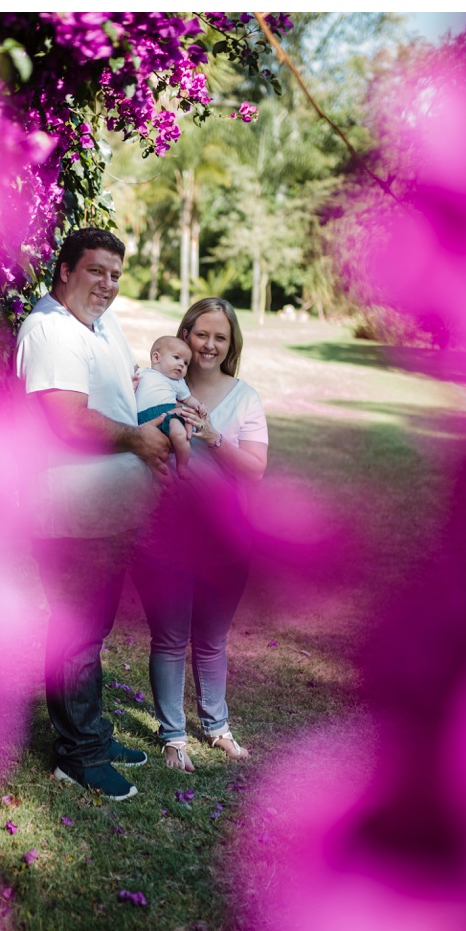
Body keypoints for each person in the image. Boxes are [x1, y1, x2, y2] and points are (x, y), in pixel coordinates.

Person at [15, 228, 173, 801]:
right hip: (68, 512)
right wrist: (137, 441)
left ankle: (95, 736)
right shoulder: (50, 330)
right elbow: (70, 421)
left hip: (106, 512)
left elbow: (120, 389)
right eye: (95, 271)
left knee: (92, 630)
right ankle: (76, 756)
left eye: (114, 274)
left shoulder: (99, 325)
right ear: (64, 270)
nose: (106, 284)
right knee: (76, 632)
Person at [131, 297, 268, 773]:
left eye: (220, 337)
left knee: (211, 640)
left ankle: (217, 727)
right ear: (185, 334)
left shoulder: (245, 397)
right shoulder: (155, 382)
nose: (209, 344)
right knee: (169, 639)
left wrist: (210, 433)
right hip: (163, 535)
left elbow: (254, 471)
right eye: (201, 334)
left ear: (231, 345)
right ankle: (173, 737)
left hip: (226, 541)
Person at [134, 335, 207, 481]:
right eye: (176, 358)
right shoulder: (142, 373)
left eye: (186, 363)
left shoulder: (178, 382)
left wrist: (198, 406)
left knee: (180, 434)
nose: (181, 365)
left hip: (168, 414)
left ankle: (182, 465)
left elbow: (187, 398)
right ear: (156, 358)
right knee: (147, 452)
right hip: (142, 419)